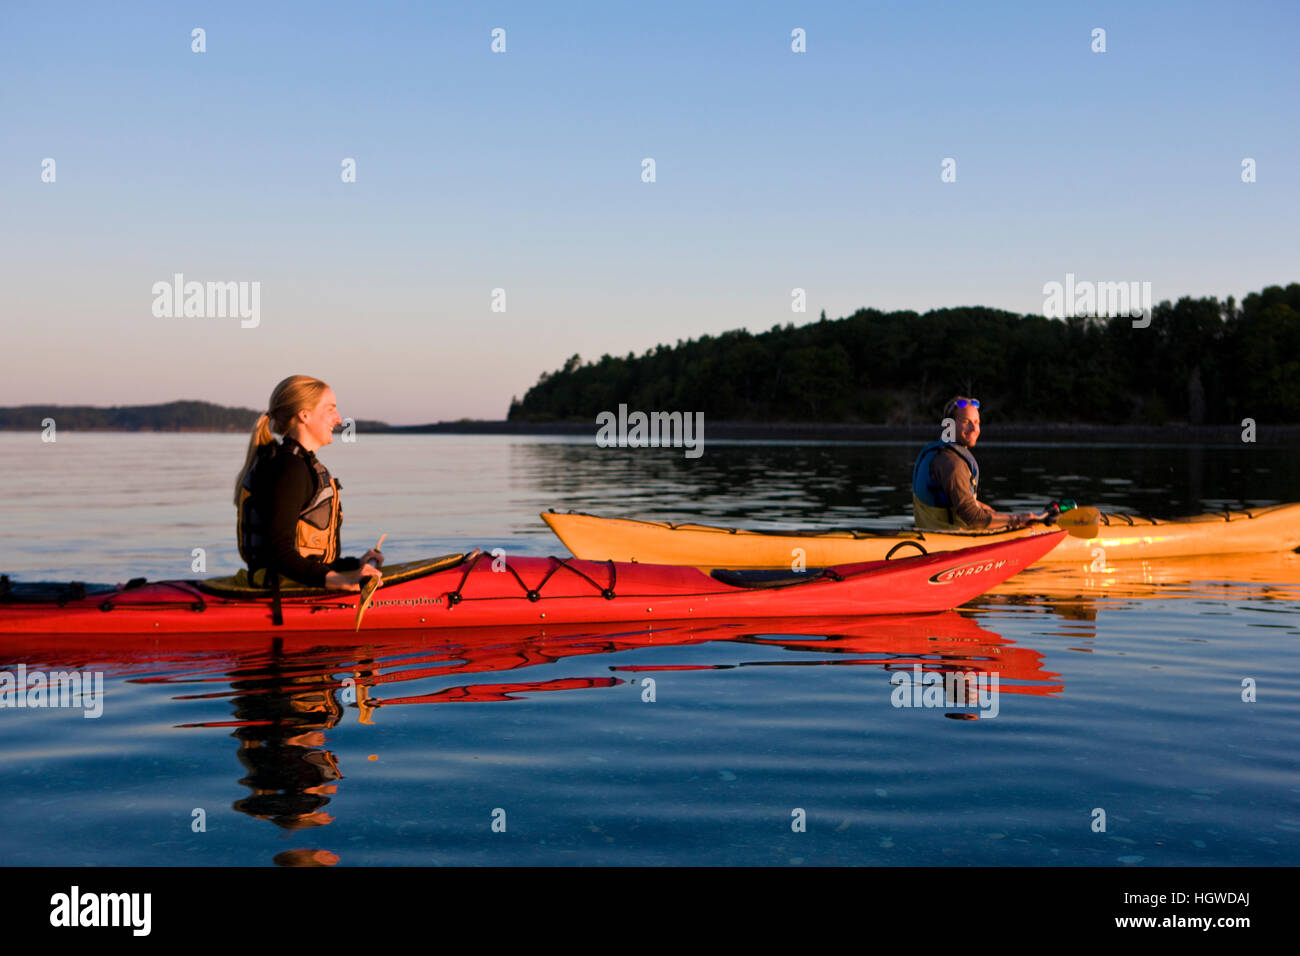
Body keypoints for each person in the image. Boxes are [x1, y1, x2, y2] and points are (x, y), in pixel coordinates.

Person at [233, 375, 383, 592]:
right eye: (330, 409)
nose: (339, 419)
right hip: (281, 594)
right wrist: (344, 581)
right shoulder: (290, 469)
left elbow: (299, 556)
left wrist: (354, 565)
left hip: (292, 582)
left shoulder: (294, 464)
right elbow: (279, 554)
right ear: (304, 415)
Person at [911, 396, 1047, 531]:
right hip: (951, 542)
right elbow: (972, 517)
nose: (974, 428)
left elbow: (948, 499)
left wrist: (982, 507)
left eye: (977, 422)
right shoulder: (952, 463)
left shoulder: (937, 453)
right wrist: (1016, 520)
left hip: (928, 534)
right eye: (966, 421)